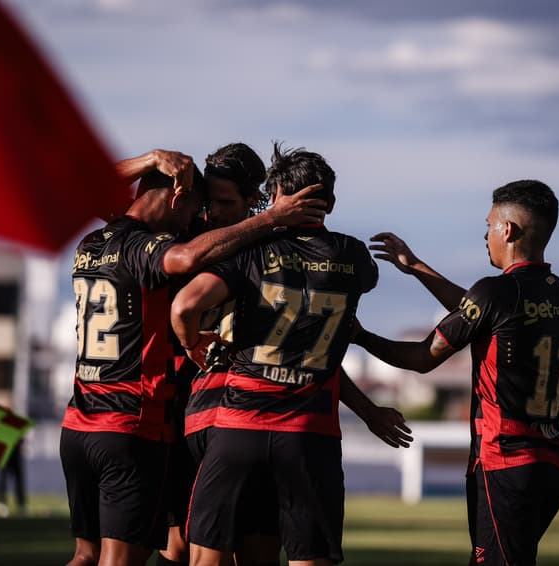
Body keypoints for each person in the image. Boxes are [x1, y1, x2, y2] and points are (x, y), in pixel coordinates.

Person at [60, 148, 329, 566]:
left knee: (239, 548)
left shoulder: (271, 248)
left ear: (254, 200)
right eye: (207, 204)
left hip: (233, 419)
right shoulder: (183, 237)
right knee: (179, 546)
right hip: (171, 415)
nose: (212, 214)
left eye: (225, 204)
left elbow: (313, 342)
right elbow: (88, 194)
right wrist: (148, 162)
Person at [168, 143, 411, 566]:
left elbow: (185, 305)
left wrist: (193, 344)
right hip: (309, 435)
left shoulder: (249, 251)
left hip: (236, 427)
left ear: (276, 195)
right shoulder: (354, 257)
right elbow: (329, 329)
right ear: (329, 203)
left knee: (202, 556)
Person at [352, 180, 559, 566]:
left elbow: (424, 357)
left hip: (505, 463)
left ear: (507, 230)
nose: (485, 234)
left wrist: (359, 336)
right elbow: (481, 312)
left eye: (489, 225)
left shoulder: (497, 292)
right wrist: (417, 267)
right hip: (551, 463)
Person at [0, 439, 27, 518]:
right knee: (3, 477)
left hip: (14, 447)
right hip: (3, 447)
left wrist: (21, 440)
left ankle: (21, 505)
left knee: (18, 477)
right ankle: (1, 503)